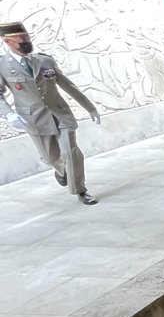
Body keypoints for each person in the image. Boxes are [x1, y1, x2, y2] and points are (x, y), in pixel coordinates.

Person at [0, 21, 101, 205]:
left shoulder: (44, 60)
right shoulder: (2, 66)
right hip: (33, 118)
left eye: (27, 38)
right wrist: (8, 114)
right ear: (7, 42)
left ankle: (80, 190)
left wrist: (89, 107)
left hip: (61, 114)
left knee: (71, 152)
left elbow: (67, 84)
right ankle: (62, 171)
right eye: (20, 40)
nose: (25, 42)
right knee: (49, 157)